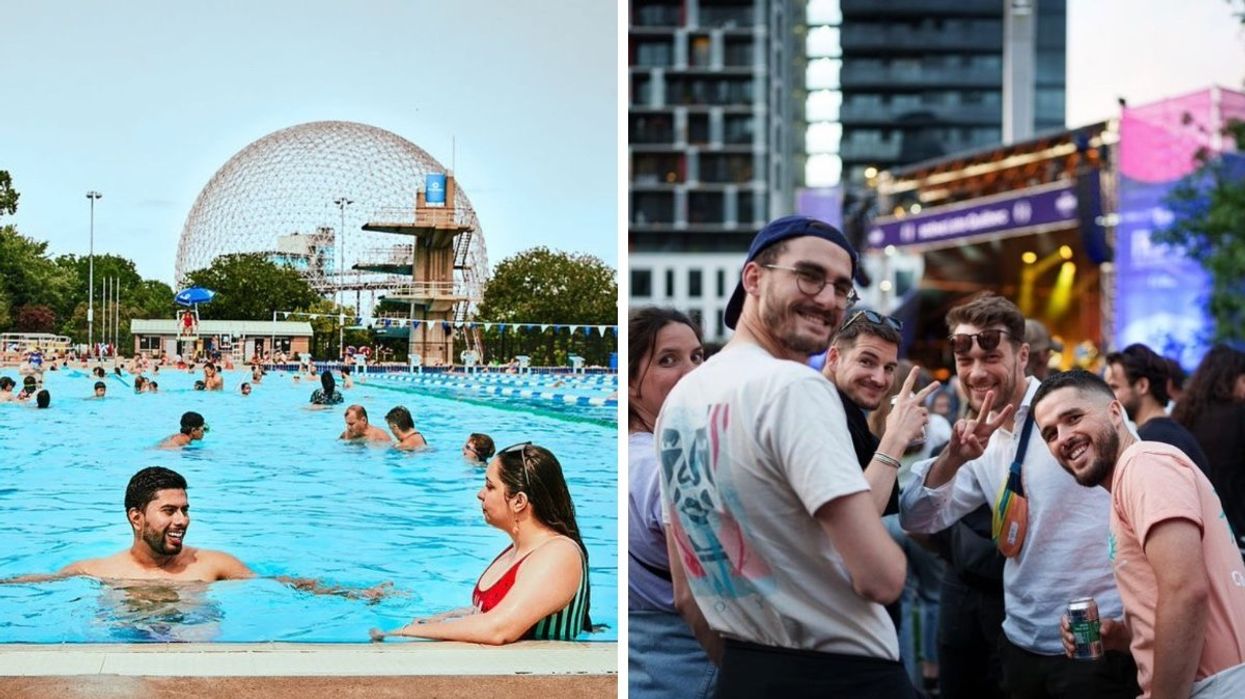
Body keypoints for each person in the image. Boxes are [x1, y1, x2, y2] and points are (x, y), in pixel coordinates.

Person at [657, 215, 912, 697]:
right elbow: (880, 578)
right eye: (810, 276)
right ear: (754, 277)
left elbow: (685, 595)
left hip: (744, 671)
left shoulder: (680, 401)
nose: (829, 299)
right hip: (844, 676)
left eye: (842, 288)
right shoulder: (794, 387)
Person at [899, 293, 1138, 698]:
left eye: (990, 357)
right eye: (965, 359)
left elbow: (1142, 486)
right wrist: (952, 459)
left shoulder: (1075, 411)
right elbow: (916, 518)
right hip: (1018, 641)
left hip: (1093, 642)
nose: (976, 373)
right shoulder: (977, 436)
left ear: (1023, 354)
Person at [1032, 370, 1245, 699]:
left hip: (1215, 686)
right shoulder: (1131, 477)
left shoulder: (1143, 466)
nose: (1063, 437)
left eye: (1073, 418)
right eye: (1050, 433)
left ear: (1115, 413)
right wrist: (1121, 634)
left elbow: (1185, 591)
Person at [1, 467, 391, 600]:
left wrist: (352, 594)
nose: (182, 520)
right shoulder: (98, 570)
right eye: (169, 510)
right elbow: (32, 583)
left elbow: (282, 584)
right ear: (136, 518)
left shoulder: (214, 565)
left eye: (185, 509)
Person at [370, 443, 592, 644]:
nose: (480, 494)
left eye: (490, 486)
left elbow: (499, 628)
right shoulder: (518, 551)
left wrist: (404, 631)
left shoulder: (558, 554)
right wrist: (442, 619)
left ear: (519, 501)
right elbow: (489, 611)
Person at [627, 307, 714, 698]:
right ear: (630, 383)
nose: (693, 372)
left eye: (697, 356)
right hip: (695, 666)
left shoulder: (631, 456)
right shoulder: (671, 466)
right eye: (668, 360)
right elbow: (691, 598)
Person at [1172, 344, 1245, 553]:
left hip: (1195, 526)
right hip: (1236, 526)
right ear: (1231, 379)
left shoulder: (1184, 415)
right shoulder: (1240, 414)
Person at [1104, 343, 1210, 473]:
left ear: (1142, 385)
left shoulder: (1147, 444)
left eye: (1114, 387)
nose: (1108, 397)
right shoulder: (1179, 434)